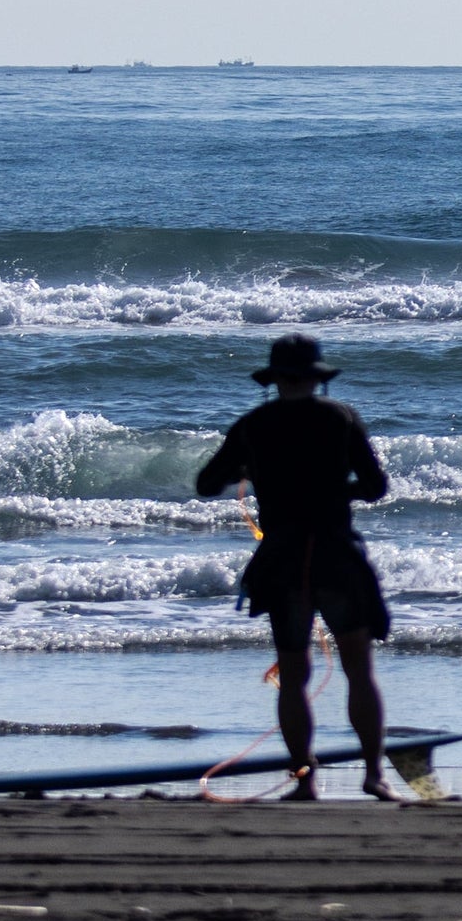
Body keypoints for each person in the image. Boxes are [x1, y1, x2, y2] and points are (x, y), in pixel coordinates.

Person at [192, 334, 400, 802]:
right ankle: (373, 774)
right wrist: (335, 492)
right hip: (336, 555)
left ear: (275, 380)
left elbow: (206, 484)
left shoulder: (252, 426)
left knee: (293, 673)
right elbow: (375, 486)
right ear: (317, 378)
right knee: (359, 670)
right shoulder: (342, 419)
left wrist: (247, 471)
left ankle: (305, 779)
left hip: (283, 560)